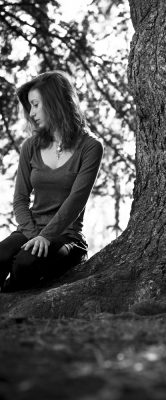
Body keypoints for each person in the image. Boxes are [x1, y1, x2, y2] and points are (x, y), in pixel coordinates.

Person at [0, 71, 103, 292]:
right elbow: (20, 198)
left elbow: (76, 201)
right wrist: (33, 234)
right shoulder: (31, 146)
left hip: (66, 236)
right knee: (1, 256)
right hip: (30, 230)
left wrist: (47, 236)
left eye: (36, 104)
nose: (32, 112)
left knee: (24, 265)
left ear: (54, 101)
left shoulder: (91, 146)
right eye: (30, 106)